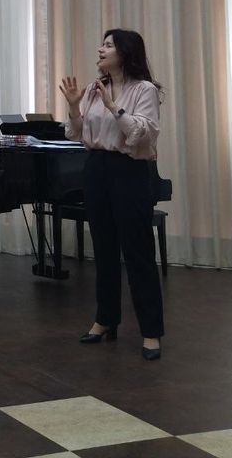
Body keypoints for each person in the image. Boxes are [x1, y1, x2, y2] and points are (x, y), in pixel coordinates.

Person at [60, 28, 165, 360]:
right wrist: (74, 107)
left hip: (129, 170)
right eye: (102, 45)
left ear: (125, 52)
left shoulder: (144, 89)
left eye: (108, 45)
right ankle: (105, 320)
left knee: (137, 251)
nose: (100, 49)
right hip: (96, 168)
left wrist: (113, 107)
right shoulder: (95, 89)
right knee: (103, 249)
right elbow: (76, 134)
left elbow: (142, 135)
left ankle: (151, 331)